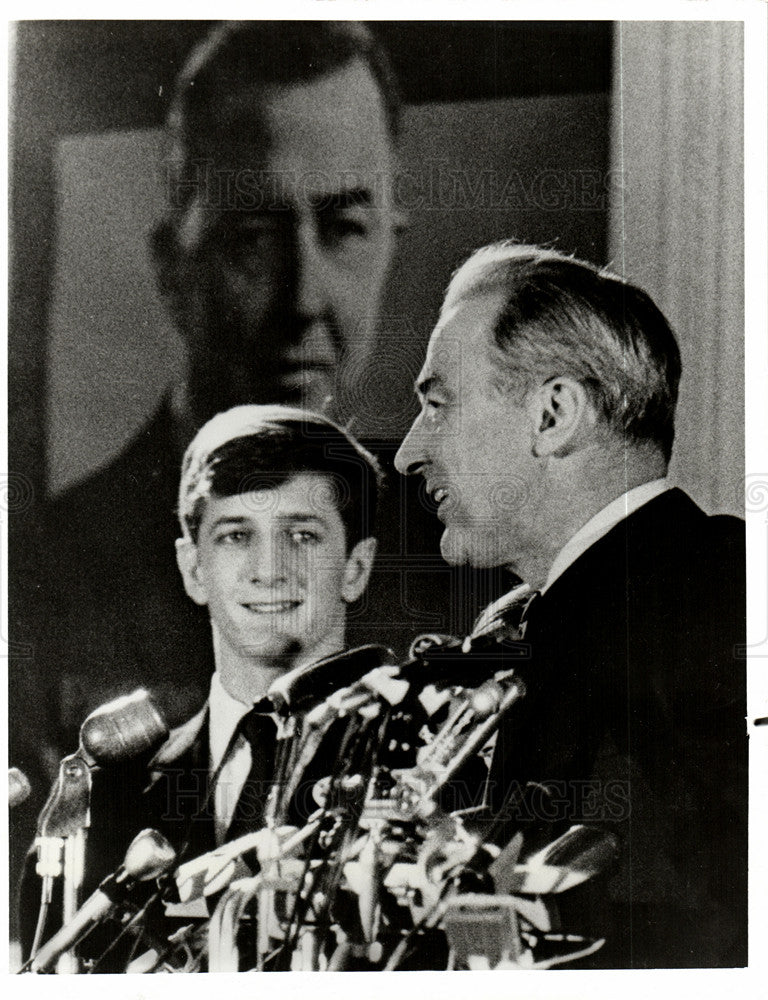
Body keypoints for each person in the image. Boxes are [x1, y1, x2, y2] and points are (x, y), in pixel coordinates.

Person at [12, 21, 464, 782]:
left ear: (392, 238)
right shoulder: (42, 576)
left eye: (345, 227)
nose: (304, 299)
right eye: (252, 240)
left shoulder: (458, 560)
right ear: (172, 269)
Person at [394, 241, 747, 968]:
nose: (407, 452)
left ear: (554, 414)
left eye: (438, 404)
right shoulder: (564, 620)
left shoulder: (710, 608)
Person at [20, 405, 384, 968]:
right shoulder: (108, 794)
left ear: (356, 567)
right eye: (237, 535)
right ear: (193, 569)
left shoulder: (423, 758)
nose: (269, 568)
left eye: (302, 534)